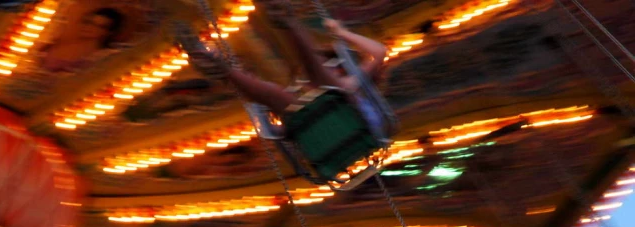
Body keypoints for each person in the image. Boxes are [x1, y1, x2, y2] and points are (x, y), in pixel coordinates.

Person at [174, 0, 394, 135]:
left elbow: (379, 52)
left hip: (357, 125)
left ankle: (286, 20)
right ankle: (221, 69)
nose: (331, 69)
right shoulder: (315, 96)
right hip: (323, 132)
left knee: (332, 90)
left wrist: (341, 32)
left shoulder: (360, 88)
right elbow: (280, 130)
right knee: (281, 99)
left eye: (334, 66)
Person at [39, 7, 125, 73]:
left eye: (99, 26)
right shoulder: (57, 44)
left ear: (108, 32)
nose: (90, 28)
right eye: (89, 22)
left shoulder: (101, 57)